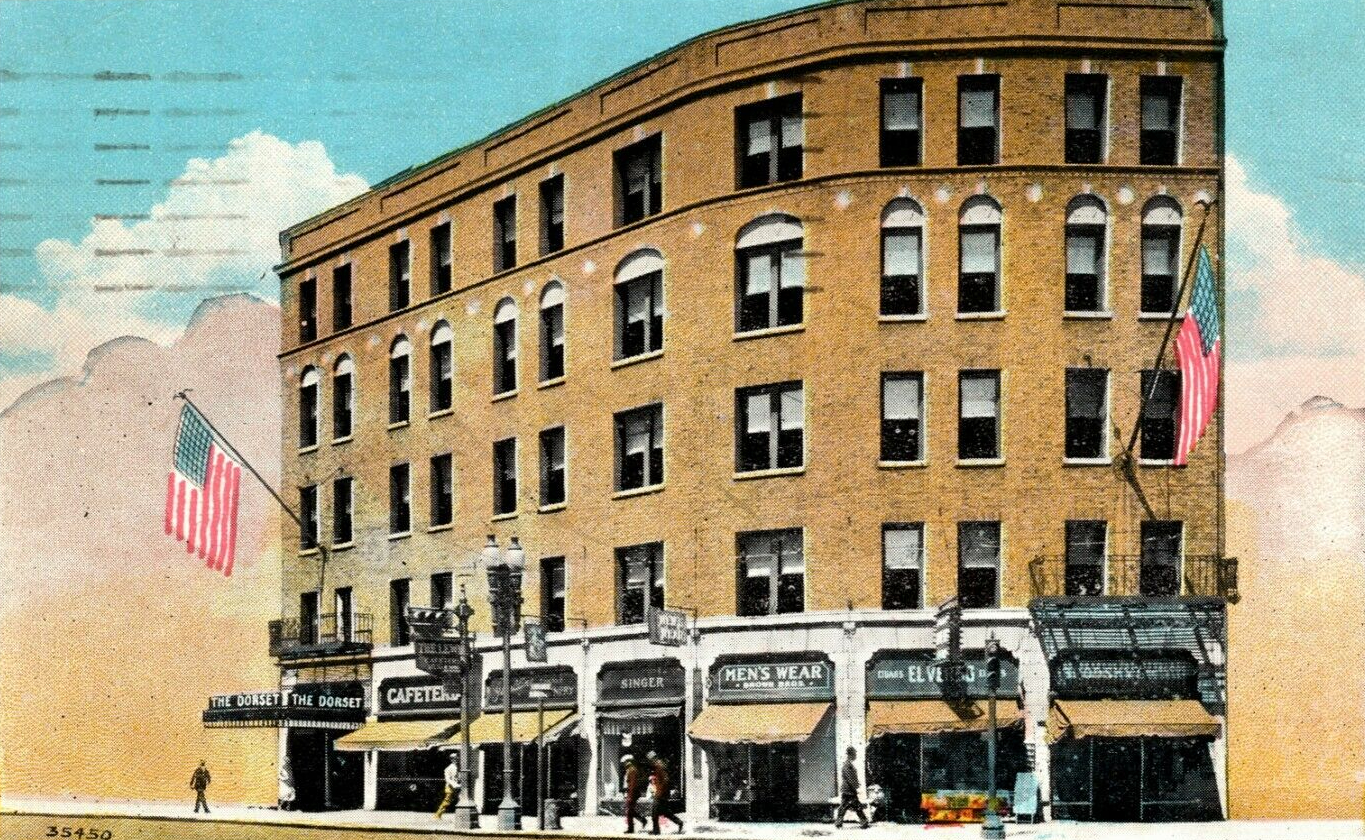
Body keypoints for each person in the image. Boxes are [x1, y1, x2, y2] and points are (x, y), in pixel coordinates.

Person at [646, 751, 683, 835]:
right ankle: (679, 822)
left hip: (661, 793)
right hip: (662, 793)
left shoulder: (659, 765)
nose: (650, 762)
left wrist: (660, 791)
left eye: (650, 760)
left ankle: (656, 831)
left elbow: (666, 780)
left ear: (653, 758)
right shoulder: (658, 765)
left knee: (654, 813)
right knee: (665, 812)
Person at [834, 747, 869, 829]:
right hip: (848, 790)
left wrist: (856, 784)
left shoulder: (849, 764)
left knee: (848, 807)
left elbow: (851, 777)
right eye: (854, 754)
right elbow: (849, 778)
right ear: (850, 754)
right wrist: (855, 786)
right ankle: (864, 822)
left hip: (848, 789)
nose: (855, 756)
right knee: (853, 806)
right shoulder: (847, 765)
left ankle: (839, 823)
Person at [621, 754, 648, 833]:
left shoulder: (632, 770)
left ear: (629, 762)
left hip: (632, 793)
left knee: (629, 811)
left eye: (625, 762)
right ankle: (643, 820)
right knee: (630, 810)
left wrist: (630, 796)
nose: (624, 764)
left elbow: (633, 784)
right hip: (631, 792)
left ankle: (631, 829)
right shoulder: (629, 770)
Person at [434, 754, 461, 819]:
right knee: (447, 801)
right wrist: (455, 785)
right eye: (454, 758)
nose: (456, 760)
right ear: (451, 759)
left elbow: (458, 777)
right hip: (450, 787)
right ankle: (438, 815)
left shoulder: (458, 767)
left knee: (460, 800)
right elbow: (447, 779)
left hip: (457, 787)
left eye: (457, 758)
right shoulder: (448, 768)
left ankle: (460, 816)